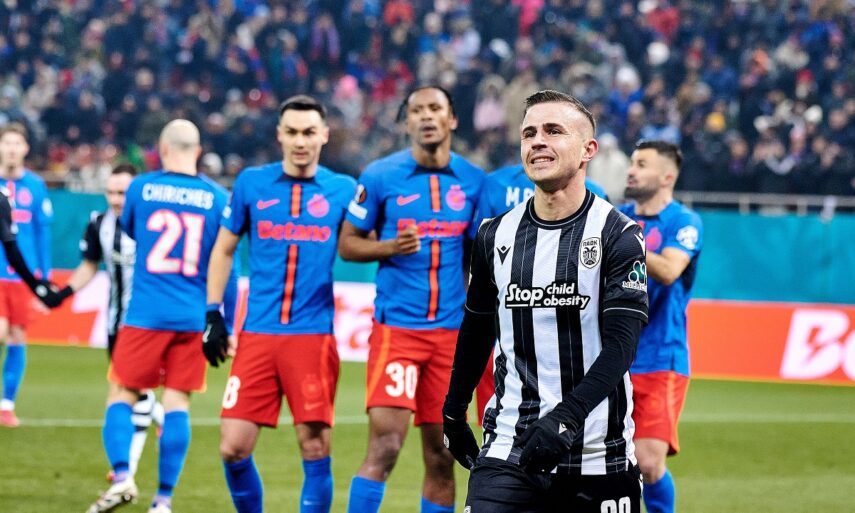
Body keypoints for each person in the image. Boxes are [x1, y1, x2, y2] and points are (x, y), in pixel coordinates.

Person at [442, 90, 647, 513]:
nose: (538, 141)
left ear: (588, 149)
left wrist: (567, 417)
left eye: (554, 131)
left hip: (598, 453)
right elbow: (476, 329)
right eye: (529, 133)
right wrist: (453, 410)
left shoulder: (619, 235)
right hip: (508, 450)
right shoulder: (493, 234)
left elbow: (621, 347)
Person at [204, 95, 356, 513]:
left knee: (314, 446)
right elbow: (223, 250)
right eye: (292, 132)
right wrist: (213, 313)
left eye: (309, 132)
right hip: (257, 334)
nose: (300, 141)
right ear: (279, 135)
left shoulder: (343, 189)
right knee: (233, 447)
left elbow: (366, 243)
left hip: (312, 336)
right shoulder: (251, 183)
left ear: (324, 135)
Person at [339, 86, 484, 513]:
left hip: (450, 338)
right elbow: (347, 245)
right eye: (416, 110)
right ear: (407, 123)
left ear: (452, 119)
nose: (426, 116)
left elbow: (477, 253)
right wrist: (389, 246)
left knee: (442, 456)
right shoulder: (380, 176)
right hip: (397, 333)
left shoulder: (474, 181)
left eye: (435, 108)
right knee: (385, 446)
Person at [85, 120, 237, 513]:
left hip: (146, 314)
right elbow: (228, 265)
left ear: (163, 149)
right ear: (198, 151)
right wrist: (228, 322)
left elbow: (133, 231)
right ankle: (163, 500)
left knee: (122, 393)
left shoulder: (140, 188)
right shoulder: (218, 198)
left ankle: (122, 476)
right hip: (193, 317)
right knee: (177, 403)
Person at [469, 165, 609, 421]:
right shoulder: (495, 184)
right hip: (507, 331)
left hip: (570, 333)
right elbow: (477, 252)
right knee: (502, 418)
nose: (539, 145)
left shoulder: (596, 193)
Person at [58, 164, 165, 477]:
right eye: (111, 192)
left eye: (123, 193)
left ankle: (124, 468)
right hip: (115, 323)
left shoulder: (156, 223)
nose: (116, 199)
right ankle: (161, 418)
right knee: (130, 390)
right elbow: (89, 266)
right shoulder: (98, 224)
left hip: (148, 324)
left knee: (122, 392)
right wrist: (62, 293)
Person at [619, 140, 703, 513]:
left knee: (648, 462)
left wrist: (623, 238)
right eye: (632, 162)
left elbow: (669, 270)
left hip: (660, 358)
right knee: (604, 464)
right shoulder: (618, 216)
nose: (631, 170)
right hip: (612, 358)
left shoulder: (683, 222)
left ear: (667, 176)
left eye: (642, 164)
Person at [0, 122, 53, 428]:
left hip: (22, 276)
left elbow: (43, 232)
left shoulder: (35, 186)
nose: (11, 149)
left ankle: (7, 405)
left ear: (25, 149)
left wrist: (43, 277)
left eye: (16, 144)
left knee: (18, 336)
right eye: (6, 143)